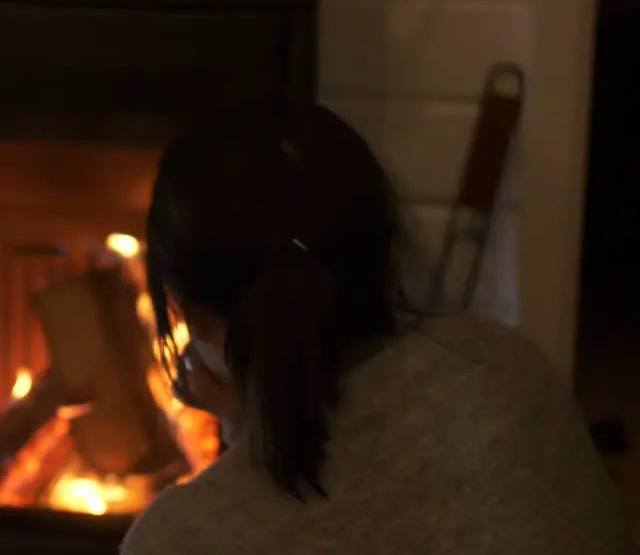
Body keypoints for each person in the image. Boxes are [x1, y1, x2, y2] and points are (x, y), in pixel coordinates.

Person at [123, 100, 637, 554]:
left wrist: (244, 418)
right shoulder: (506, 366)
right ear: (382, 251)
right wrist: (246, 416)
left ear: (200, 320)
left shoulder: (179, 540)